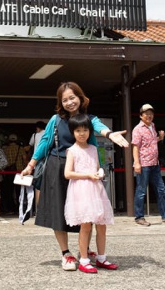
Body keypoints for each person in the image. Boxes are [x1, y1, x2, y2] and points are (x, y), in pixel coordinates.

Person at [20, 82, 129, 271]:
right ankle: (66, 254)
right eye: (65, 100)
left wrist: (110, 134)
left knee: (85, 210)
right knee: (58, 212)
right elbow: (45, 142)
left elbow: (99, 127)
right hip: (57, 167)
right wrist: (31, 165)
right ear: (60, 103)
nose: (69, 102)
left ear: (80, 97)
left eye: (72, 97)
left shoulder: (89, 118)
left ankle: (84, 250)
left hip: (83, 170)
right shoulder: (56, 119)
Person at [64, 114, 118, 274]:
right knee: (85, 226)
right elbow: (67, 173)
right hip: (81, 191)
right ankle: (84, 260)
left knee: (102, 225)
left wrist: (99, 172)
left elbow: (97, 167)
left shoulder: (94, 149)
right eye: (78, 130)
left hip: (96, 190)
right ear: (72, 132)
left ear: (90, 131)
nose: (82, 133)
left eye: (85, 130)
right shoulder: (72, 150)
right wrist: (88, 175)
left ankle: (101, 258)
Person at [132, 104, 165, 226]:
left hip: (155, 163)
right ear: (141, 116)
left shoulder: (152, 126)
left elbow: (151, 143)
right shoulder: (138, 129)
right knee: (141, 190)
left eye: (151, 113)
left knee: (161, 189)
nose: (149, 116)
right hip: (144, 164)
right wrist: (137, 163)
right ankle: (139, 217)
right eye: (146, 113)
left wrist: (160, 137)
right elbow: (135, 147)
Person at [2, 134, 28, 213]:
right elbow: (25, 159)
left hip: (8, 172)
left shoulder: (5, 149)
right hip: (19, 172)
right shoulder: (20, 148)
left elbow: (3, 161)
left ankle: (10, 208)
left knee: (9, 191)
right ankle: (19, 207)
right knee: (19, 191)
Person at [29, 121, 46, 208]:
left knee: (38, 185)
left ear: (38, 128)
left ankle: (38, 207)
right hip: (47, 160)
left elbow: (30, 144)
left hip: (37, 161)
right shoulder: (47, 134)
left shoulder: (35, 135)